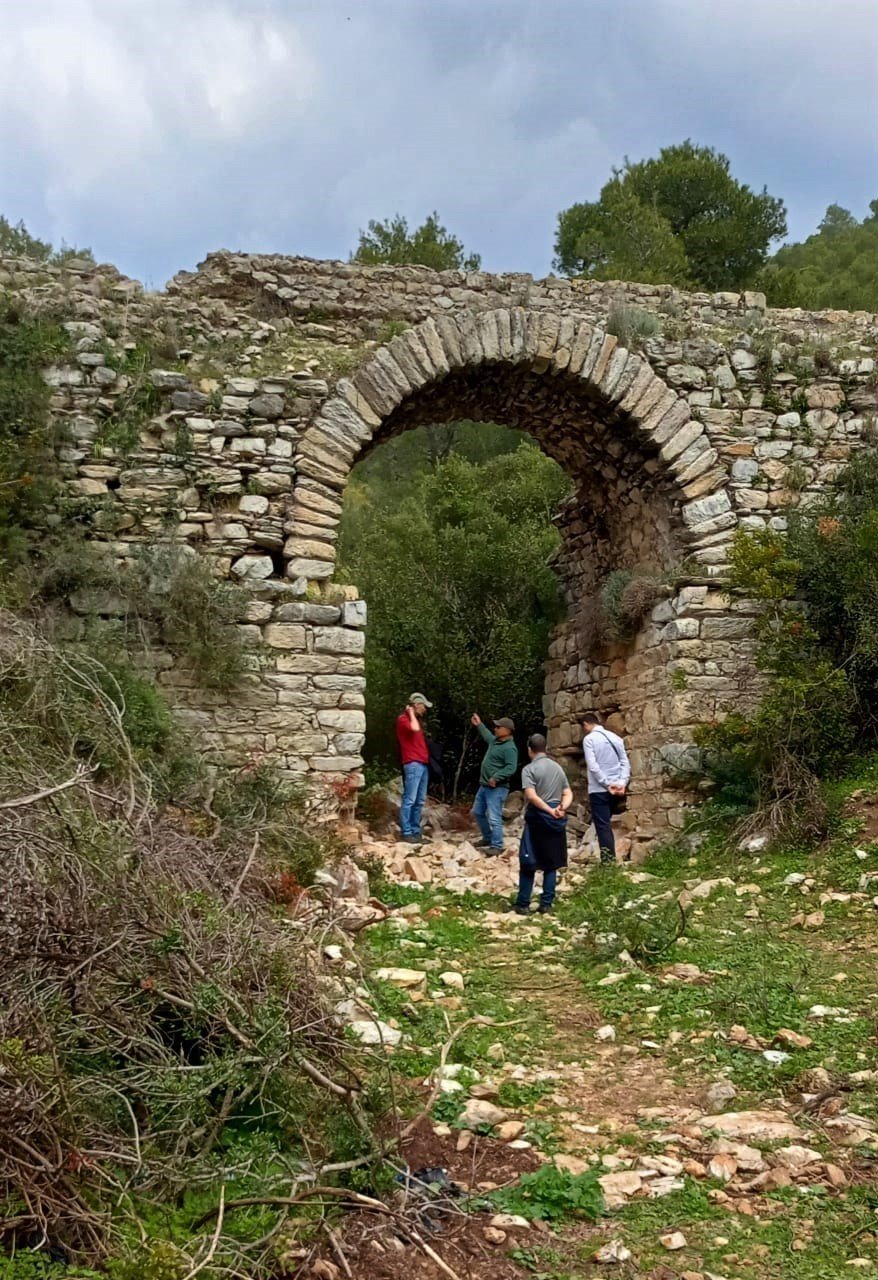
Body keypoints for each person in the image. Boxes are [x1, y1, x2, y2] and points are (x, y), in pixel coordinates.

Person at [512, 734, 573, 915]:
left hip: (538, 818)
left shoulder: (529, 770)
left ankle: (523, 903)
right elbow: (568, 793)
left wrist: (547, 810)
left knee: (528, 861)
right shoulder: (557, 768)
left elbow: (531, 796)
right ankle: (546, 903)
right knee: (551, 863)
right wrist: (561, 808)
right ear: (545, 748)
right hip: (556, 817)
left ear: (530, 750)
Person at [582, 712, 631, 866]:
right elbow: (625, 762)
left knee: (603, 826)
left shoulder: (589, 740)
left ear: (586, 724)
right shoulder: (615, 738)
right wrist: (622, 782)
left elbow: (593, 766)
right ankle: (615, 857)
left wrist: (606, 783)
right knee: (609, 823)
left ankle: (608, 861)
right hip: (618, 787)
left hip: (599, 789)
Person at [470, 713, 518, 854]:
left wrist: (496, 777)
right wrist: (479, 724)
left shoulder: (510, 748)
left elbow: (511, 767)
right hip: (484, 786)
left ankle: (497, 845)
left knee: (494, 817)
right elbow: (486, 735)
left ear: (507, 730)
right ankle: (488, 837)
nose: (495, 729)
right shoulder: (495, 741)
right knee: (478, 812)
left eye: (498, 727)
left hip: (497, 788)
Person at [396, 694, 432, 844]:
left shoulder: (414, 720)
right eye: (423, 706)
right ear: (416, 705)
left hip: (422, 764)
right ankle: (406, 832)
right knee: (410, 799)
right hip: (413, 763)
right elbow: (414, 728)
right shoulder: (404, 719)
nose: (425, 709)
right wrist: (411, 713)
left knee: (419, 800)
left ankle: (416, 832)